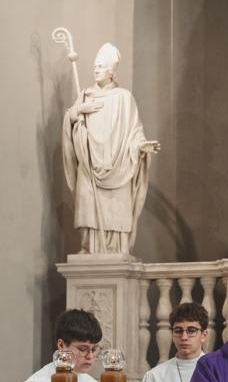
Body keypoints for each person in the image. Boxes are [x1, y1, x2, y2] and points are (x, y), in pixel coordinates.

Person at [63, 41, 161, 256]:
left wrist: (141, 146)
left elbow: (134, 131)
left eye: (100, 66)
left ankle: (116, 248)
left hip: (119, 165)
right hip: (89, 165)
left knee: (117, 211)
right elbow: (69, 121)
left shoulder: (124, 98)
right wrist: (79, 111)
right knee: (88, 209)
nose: (96, 70)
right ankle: (89, 248)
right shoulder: (85, 96)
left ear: (111, 72)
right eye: (95, 66)